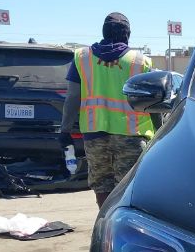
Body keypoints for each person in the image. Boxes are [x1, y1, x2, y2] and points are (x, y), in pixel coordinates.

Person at [60, 13, 158, 207]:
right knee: (129, 188)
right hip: (131, 137)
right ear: (127, 34)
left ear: (104, 32)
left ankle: (105, 220)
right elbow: (153, 102)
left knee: (102, 186)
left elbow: (72, 97)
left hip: (94, 135)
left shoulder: (82, 58)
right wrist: (161, 131)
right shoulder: (140, 62)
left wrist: (65, 130)